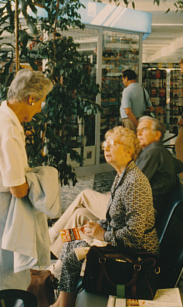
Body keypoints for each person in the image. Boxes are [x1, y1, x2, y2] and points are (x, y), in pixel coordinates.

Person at [52, 127, 159, 307]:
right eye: (105, 144)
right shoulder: (121, 176)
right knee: (72, 236)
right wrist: (96, 227)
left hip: (136, 254)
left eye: (112, 144)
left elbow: (134, 237)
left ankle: (63, 303)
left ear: (129, 150)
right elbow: (115, 219)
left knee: (72, 255)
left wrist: (101, 235)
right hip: (121, 242)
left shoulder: (135, 183)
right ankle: (60, 300)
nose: (105, 148)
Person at [0, 69, 54, 302]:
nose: (39, 109)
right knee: (7, 279)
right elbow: (18, 188)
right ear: (31, 99)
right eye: (41, 103)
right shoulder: (7, 129)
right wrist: (41, 181)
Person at [47, 117, 183, 257]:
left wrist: (112, 200)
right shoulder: (160, 152)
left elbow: (134, 184)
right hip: (139, 212)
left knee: (85, 195)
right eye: (138, 130)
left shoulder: (153, 152)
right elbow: (180, 165)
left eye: (145, 129)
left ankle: (52, 235)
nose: (139, 133)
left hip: (138, 216)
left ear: (157, 134)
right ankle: (56, 251)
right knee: (80, 213)